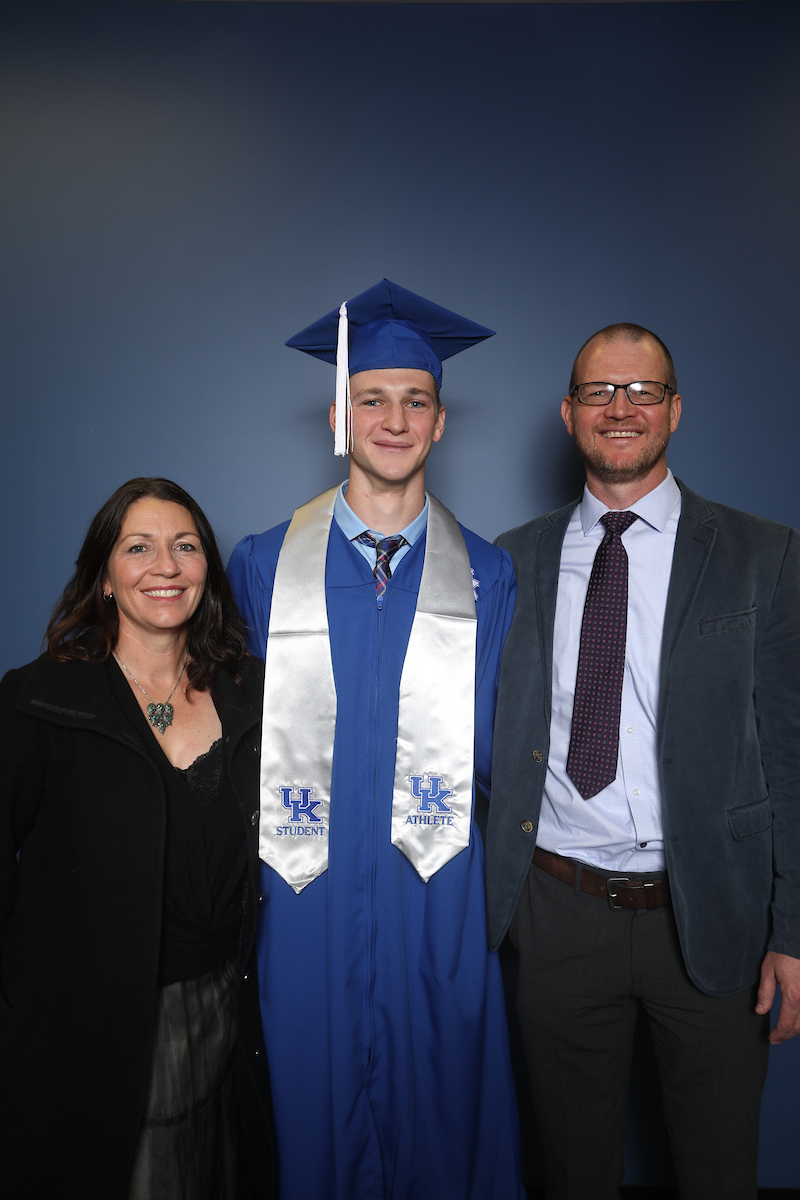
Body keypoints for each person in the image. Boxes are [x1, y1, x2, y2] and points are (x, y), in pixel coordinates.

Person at [486, 323, 800, 1200]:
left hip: (710, 918)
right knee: (571, 1173)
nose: (619, 408)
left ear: (674, 410)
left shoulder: (762, 556)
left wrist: (796, 933)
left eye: (642, 391)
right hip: (557, 915)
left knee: (715, 1172)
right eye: (599, 392)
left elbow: (792, 748)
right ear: (569, 413)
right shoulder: (512, 561)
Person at [228, 279, 525, 1200]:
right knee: (306, 1099)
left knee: (443, 1087)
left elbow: (502, 752)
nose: (393, 420)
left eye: (415, 401)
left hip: (435, 884)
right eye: (372, 399)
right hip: (302, 884)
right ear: (338, 415)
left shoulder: (486, 573)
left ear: (440, 424)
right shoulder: (265, 562)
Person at [0, 478, 274, 1200]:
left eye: (185, 546)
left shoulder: (257, 693)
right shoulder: (37, 702)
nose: (166, 565)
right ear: (106, 578)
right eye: (139, 547)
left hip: (232, 1013)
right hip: (98, 1027)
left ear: (206, 573)